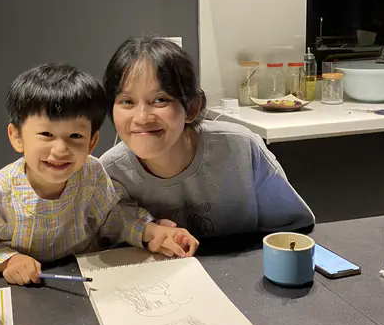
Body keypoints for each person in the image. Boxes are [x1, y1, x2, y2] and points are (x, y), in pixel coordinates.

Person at [0, 63, 198, 285]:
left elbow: (112, 216)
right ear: (17, 136)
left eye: (75, 136)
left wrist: (150, 232)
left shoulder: (91, 173)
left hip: (85, 285)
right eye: (46, 134)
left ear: (92, 142)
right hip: (23, 294)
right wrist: (8, 261)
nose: (60, 150)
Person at [100, 36, 315, 239]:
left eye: (160, 99)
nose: (141, 117)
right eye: (127, 102)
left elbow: (294, 231)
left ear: (191, 108)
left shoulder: (241, 149)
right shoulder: (109, 173)